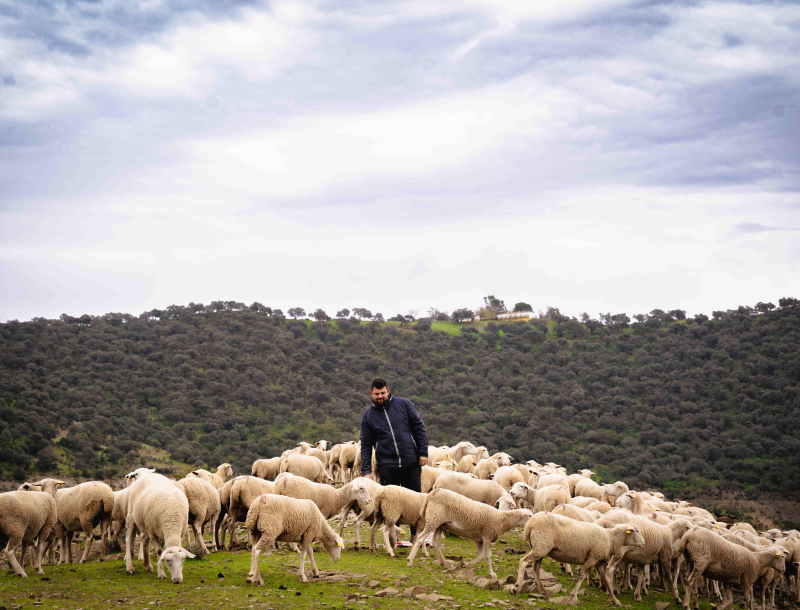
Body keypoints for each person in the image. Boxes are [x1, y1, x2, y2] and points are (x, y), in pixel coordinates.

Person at [360, 377, 429, 539]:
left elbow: (419, 427)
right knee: (390, 502)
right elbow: (366, 444)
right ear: (371, 393)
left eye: (383, 393)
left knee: (415, 499)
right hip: (386, 465)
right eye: (377, 394)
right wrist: (366, 471)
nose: (380, 397)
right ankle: (393, 536)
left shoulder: (404, 405)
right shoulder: (368, 416)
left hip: (410, 461)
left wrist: (423, 452)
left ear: (388, 391)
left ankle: (416, 536)